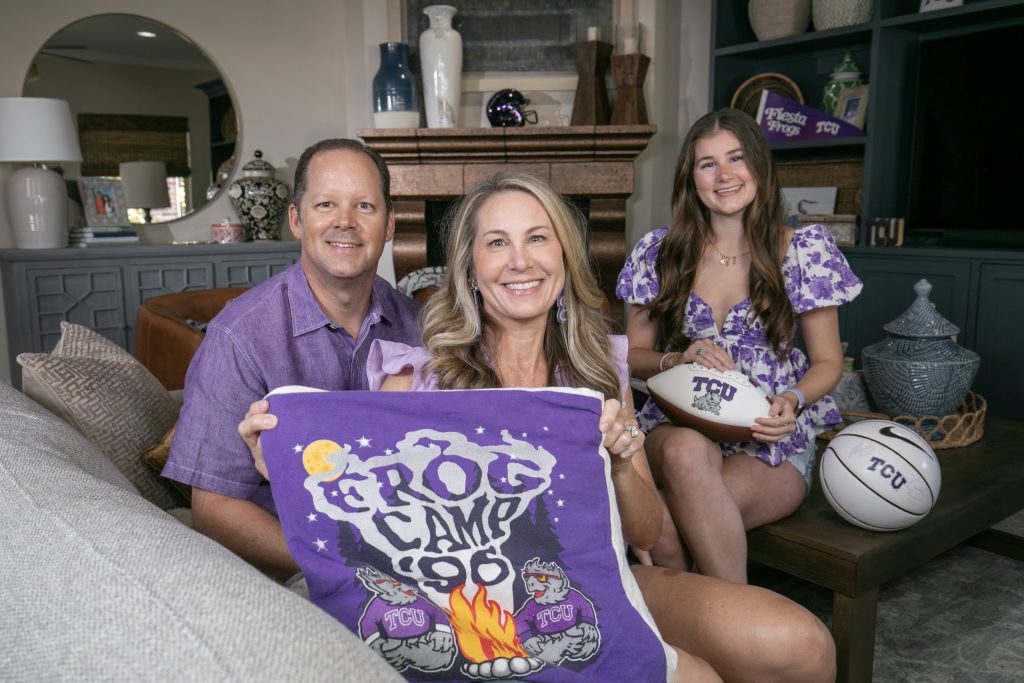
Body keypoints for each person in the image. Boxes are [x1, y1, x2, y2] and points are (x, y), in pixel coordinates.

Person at [242, 172, 836, 682]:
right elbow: (365, 527)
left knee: (803, 644)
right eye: (497, 243)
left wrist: (627, 460)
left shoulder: (597, 371)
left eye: (537, 238)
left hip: (598, 580)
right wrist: (282, 467)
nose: (520, 260)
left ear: (563, 255)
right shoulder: (415, 377)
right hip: (469, 611)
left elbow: (646, 530)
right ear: (471, 267)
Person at [617, 108, 863, 583]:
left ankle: (697, 624)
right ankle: (738, 628)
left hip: (768, 441)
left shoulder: (804, 250)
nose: (724, 175)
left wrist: (792, 400)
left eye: (736, 158)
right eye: (708, 164)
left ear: (760, 167)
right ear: (692, 178)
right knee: (687, 454)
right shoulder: (659, 253)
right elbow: (632, 358)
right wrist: (678, 357)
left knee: (666, 521)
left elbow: (829, 362)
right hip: (679, 424)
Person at [163, 138, 421, 582]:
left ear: (390, 224)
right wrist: (343, 571)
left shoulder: (422, 326)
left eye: (364, 206)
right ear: (296, 220)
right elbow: (213, 510)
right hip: (296, 569)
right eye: (325, 204)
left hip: (413, 558)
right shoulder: (238, 338)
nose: (345, 222)